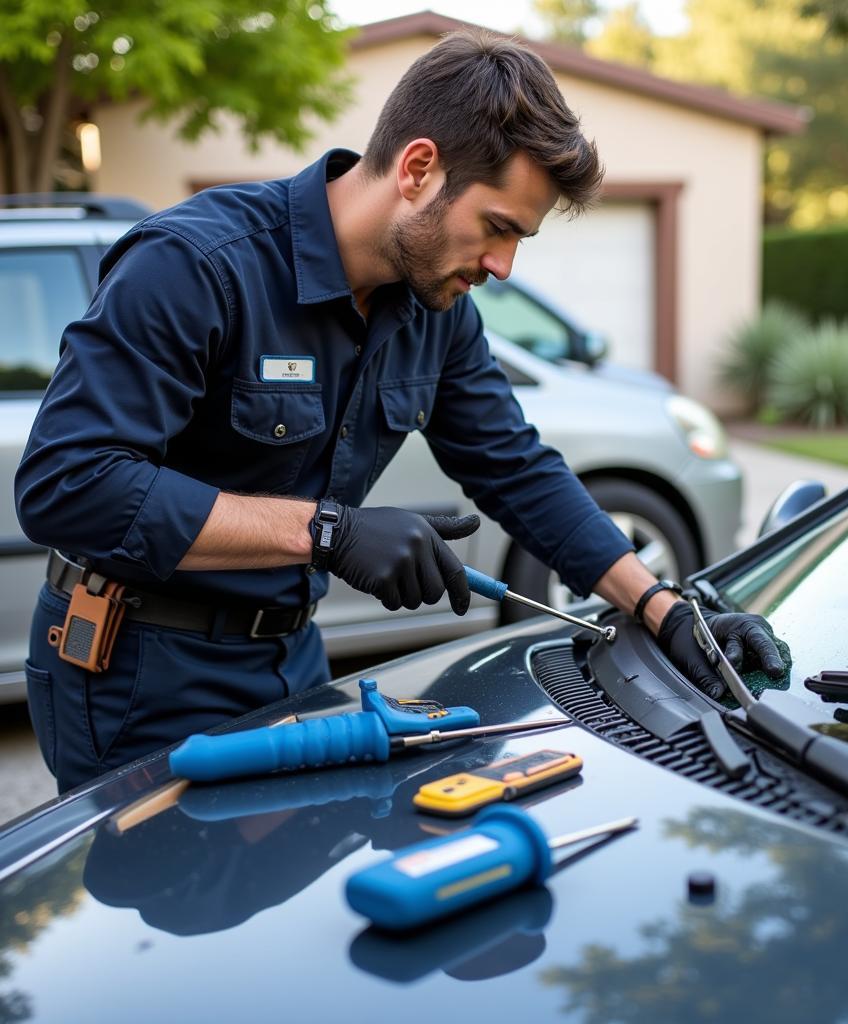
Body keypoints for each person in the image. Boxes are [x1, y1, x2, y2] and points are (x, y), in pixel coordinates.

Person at [16, 29, 785, 794]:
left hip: (291, 657)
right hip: (138, 672)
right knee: (162, 913)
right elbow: (69, 484)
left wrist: (662, 609)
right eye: (497, 227)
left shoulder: (436, 311)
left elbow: (514, 465)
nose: (503, 265)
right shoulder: (196, 267)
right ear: (418, 168)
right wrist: (327, 531)